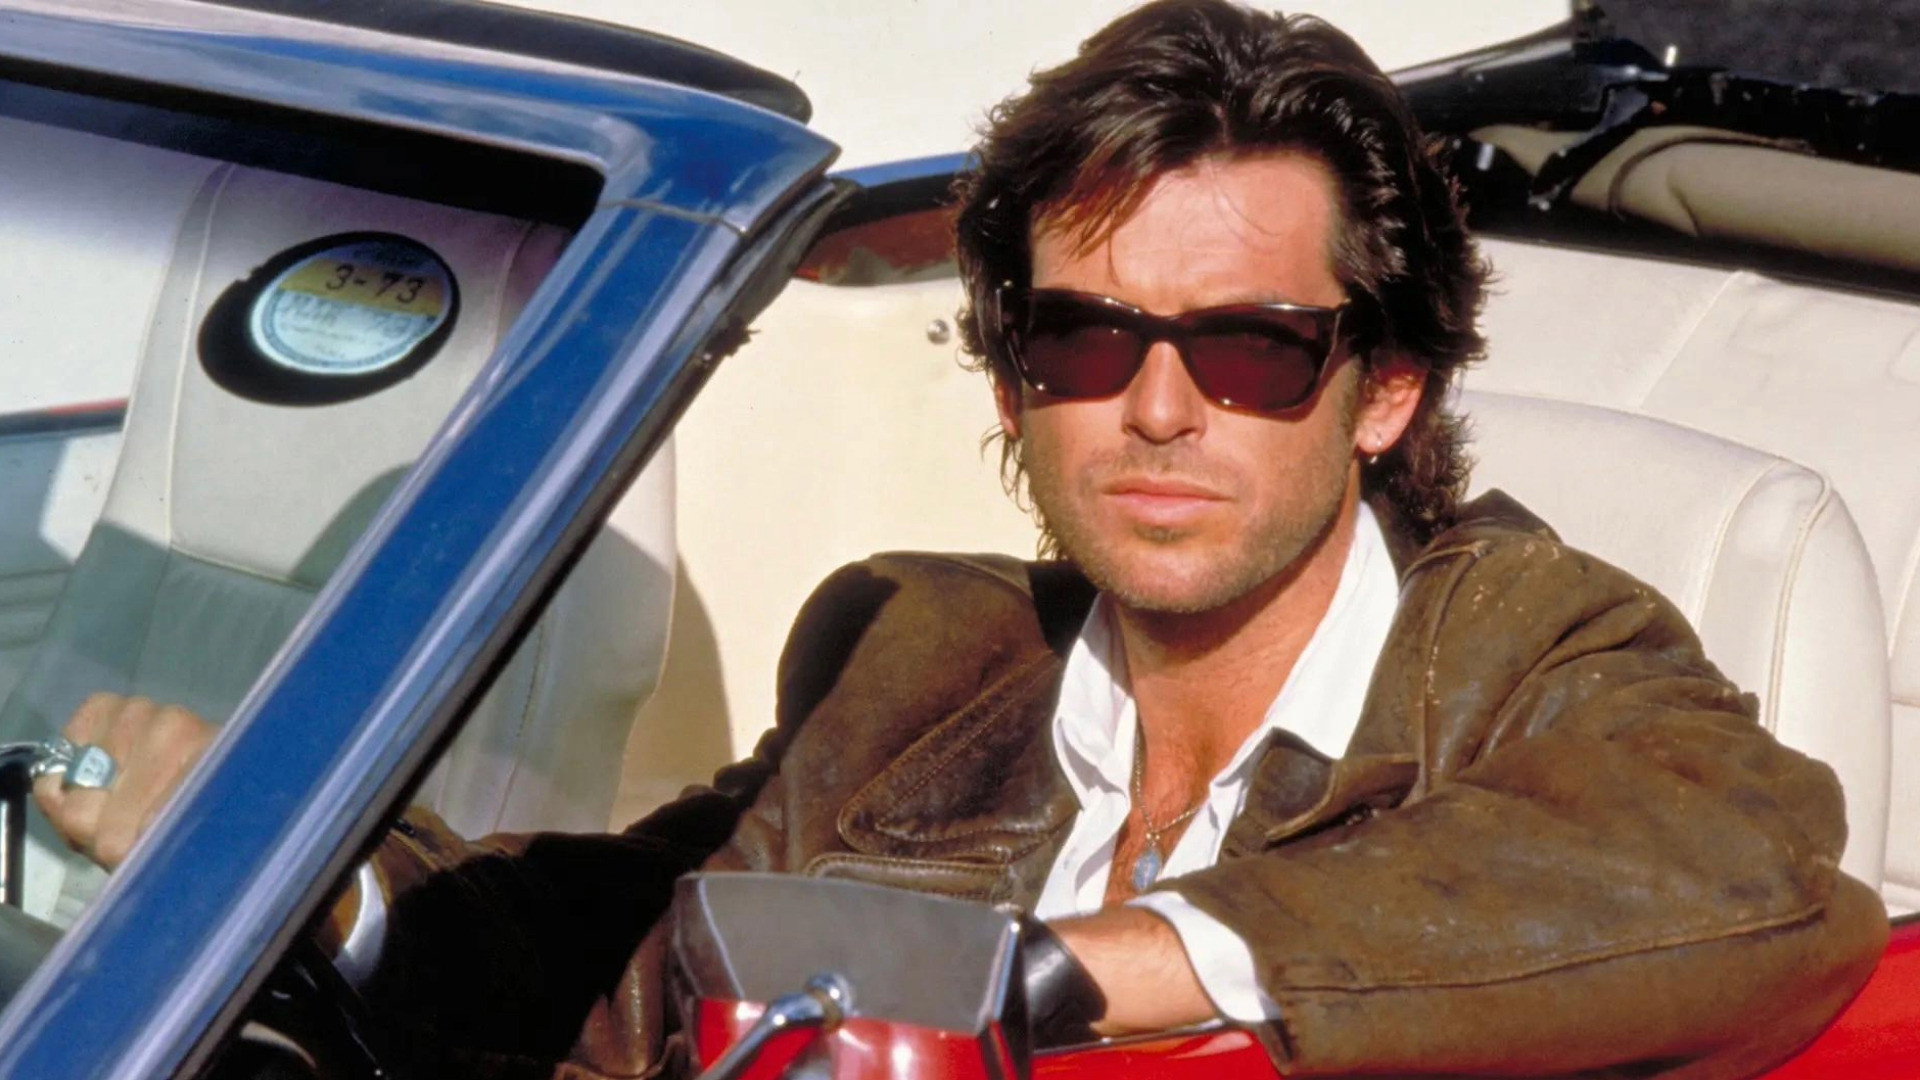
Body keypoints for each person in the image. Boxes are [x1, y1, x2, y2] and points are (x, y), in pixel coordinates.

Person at [34, 1, 1888, 1076]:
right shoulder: (925, 654)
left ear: (1383, 389)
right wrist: (308, 889)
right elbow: (631, 953)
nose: (1157, 409)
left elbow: (1759, 867)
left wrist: (1064, 970)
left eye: (1251, 348)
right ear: (1011, 383)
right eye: (1083, 340)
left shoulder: (1537, 657)